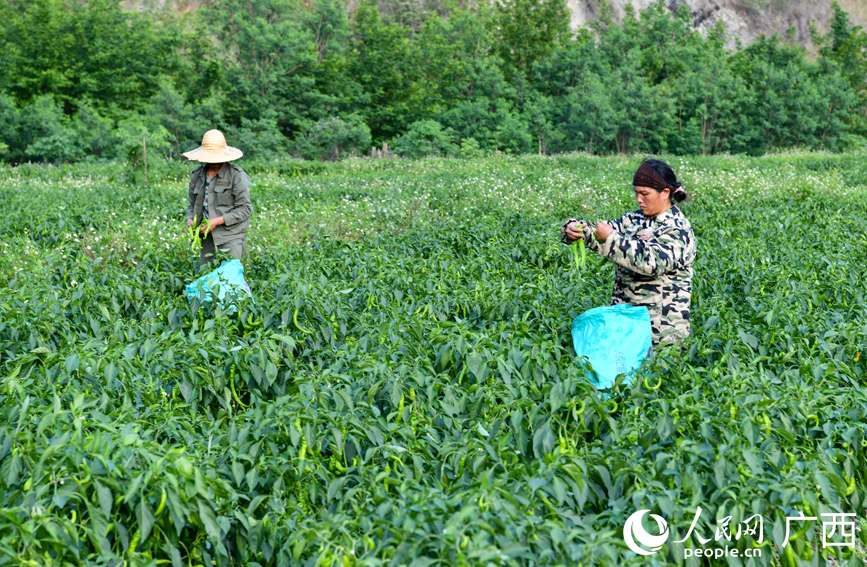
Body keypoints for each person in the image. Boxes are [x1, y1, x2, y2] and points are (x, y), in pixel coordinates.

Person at [561, 159, 697, 347]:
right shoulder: (633, 220)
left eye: (644, 194)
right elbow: (601, 233)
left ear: (665, 193)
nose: (639, 199)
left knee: (660, 375)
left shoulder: (678, 229)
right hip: (625, 325)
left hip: (660, 333)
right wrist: (574, 229)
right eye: (637, 193)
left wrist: (611, 239)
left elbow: (651, 263)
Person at [183, 130, 252, 265]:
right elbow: (192, 204)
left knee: (231, 279)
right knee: (207, 277)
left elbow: (245, 209)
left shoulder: (236, 175)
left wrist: (217, 221)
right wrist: (190, 219)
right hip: (207, 237)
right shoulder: (197, 175)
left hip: (230, 236)